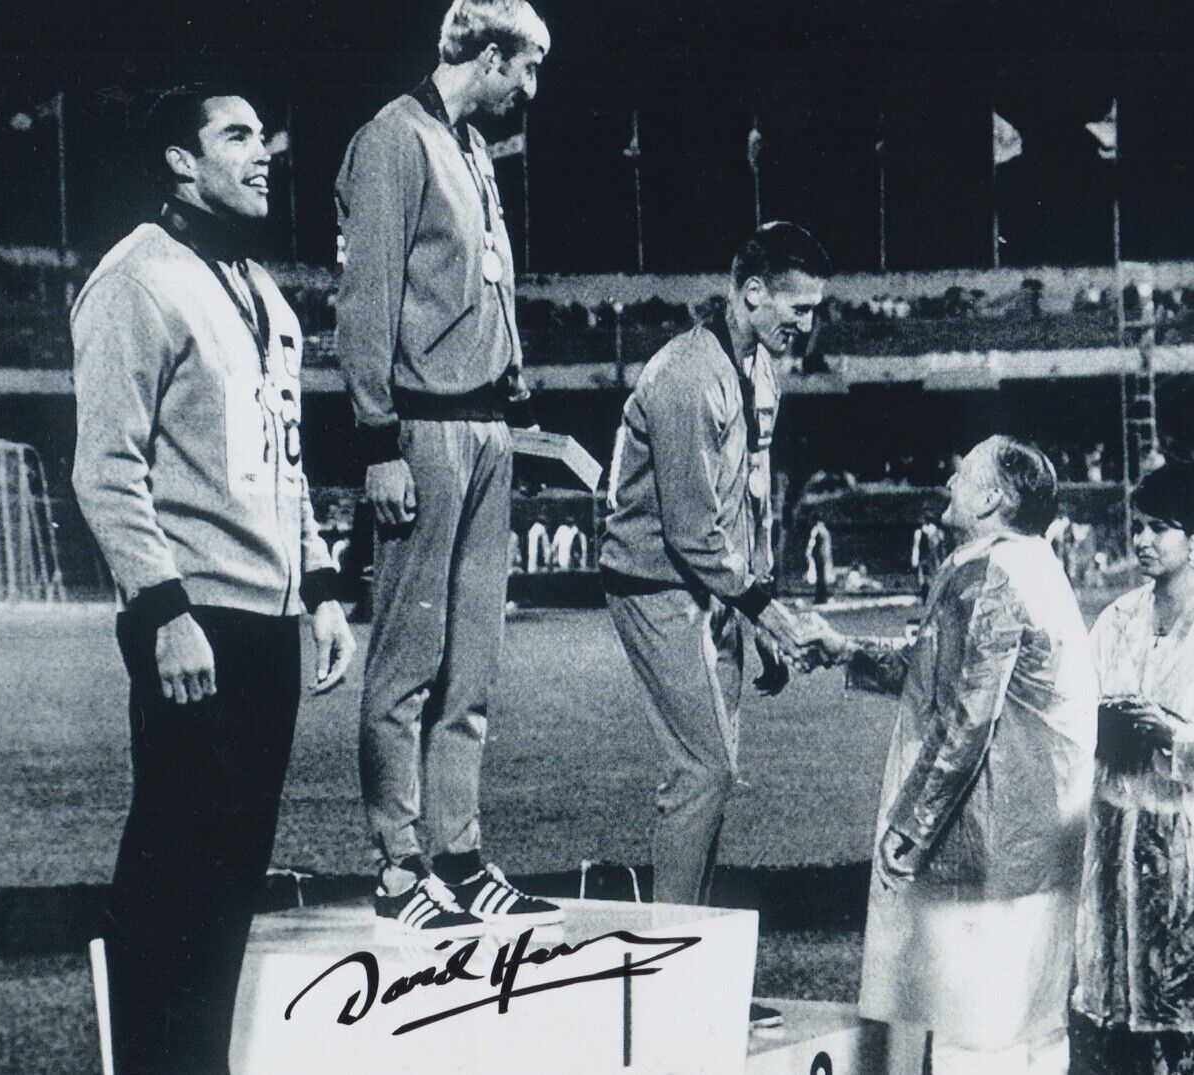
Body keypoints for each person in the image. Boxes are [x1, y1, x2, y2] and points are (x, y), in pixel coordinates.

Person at [71, 85, 357, 1075]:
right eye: (235, 135)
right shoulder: (134, 283)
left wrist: (319, 585)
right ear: (179, 161)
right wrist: (162, 610)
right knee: (172, 881)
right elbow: (105, 467)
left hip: (266, 624)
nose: (263, 150)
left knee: (228, 883)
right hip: (193, 622)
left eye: (264, 135)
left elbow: (286, 465)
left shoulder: (263, 293)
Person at [335, 0, 559, 934]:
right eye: (529, 69)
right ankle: (398, 861)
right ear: (493, 55)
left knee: (474, 661)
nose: (533, 91)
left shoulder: (470, 149)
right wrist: (376, 441)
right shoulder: (393, 140)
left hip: (487, 427)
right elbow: (367, 298)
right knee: (407, 661)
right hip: (421, 430)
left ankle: (458, 855)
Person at [803, 437, 1098, 1074]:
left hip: (992, 845)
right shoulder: (1034, 565)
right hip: (1043, 844)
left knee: (972, 1034)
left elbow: (967, 715)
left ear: (992, 497)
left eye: (962, 473)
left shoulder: (989, 571)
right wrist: (848, 651)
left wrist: (911, 824)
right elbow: (944, 670)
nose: (948, 483)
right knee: (1034, 1030)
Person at [599, 223, 825, 912]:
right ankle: (673, 954)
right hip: (658, 581)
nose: (808, 325)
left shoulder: (760, 373)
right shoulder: (688, 376)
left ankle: (689, 943)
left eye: (816, 309)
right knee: (703, 768)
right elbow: (692, 531)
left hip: (713, 586)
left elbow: (749, 503)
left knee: (716, 772)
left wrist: (759, 611)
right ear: (753, 294)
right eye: (798, 308)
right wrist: (772, 614)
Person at [1071, 464, 1194, 1075]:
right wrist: (1108, 723)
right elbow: (1078, 709)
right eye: (1139, 527)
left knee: (1184, 1016)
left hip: (1183, 845)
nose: (1143, 541)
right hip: (1112, 835)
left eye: (1161, 529)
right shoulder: (1117, 618)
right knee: (1114, 1014)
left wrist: (1167, 732)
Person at [806, 517, 834, 604]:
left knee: (820, 578)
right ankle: (822, 597)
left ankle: (820, 598)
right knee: (822, 578)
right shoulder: (824, 531)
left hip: (819, 556)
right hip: (823, 557)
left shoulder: (817, 530)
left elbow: (812, 543)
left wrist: (809, 553)